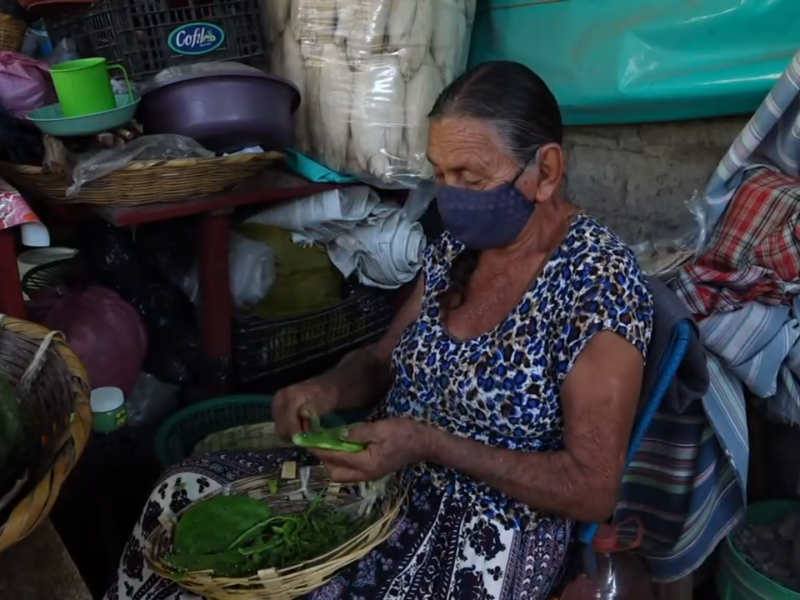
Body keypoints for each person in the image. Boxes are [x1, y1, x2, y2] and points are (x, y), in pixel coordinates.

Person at [106, 61, 653, 600]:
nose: (450, 195)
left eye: (471, 178)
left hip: (484, 533)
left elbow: (591, 489)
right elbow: (381, 359)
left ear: (547, 171)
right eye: (441, 174)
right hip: (376, 480)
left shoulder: (598, 284)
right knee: (181, 492)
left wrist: (429, 444)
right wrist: (328, 388)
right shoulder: (459, 248)